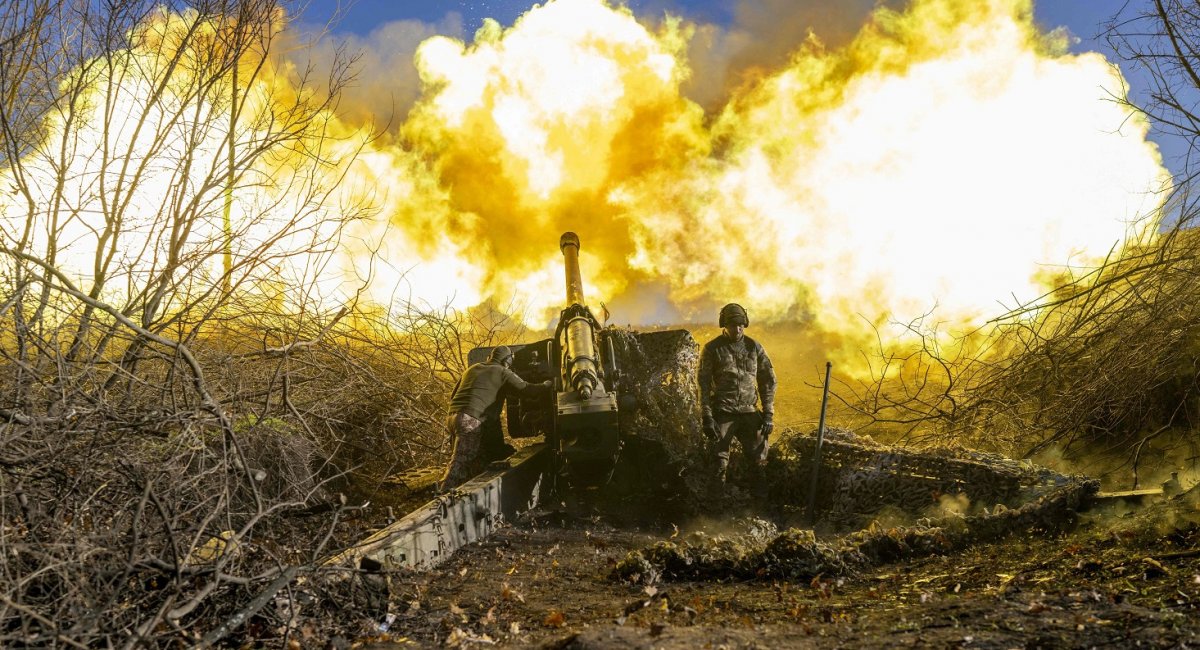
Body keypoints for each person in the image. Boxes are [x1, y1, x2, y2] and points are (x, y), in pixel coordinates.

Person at [440, 345, 552, 490]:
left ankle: (464, 491)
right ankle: (443, 494)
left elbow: (454, 394)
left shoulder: (473, 368)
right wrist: (546, 385)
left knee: (478, 459)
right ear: (507, 360)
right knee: (462, 460)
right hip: (470, 419)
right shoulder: (502, 372)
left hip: (453, 417)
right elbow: (527, 389)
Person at [698, 303, 777, 497]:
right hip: (724, 413)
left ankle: (759, 507)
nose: (737, 328)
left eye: (741, 324)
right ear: (724, 325)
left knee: (759, 461)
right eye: (733, 325)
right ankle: (715, 512)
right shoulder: (712, 349)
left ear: (745, 324)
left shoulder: (754, 347)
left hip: (750, 412)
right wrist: (707, 417)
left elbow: (768, 380)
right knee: (719, 462)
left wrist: (768, 414)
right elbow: (704, 385)